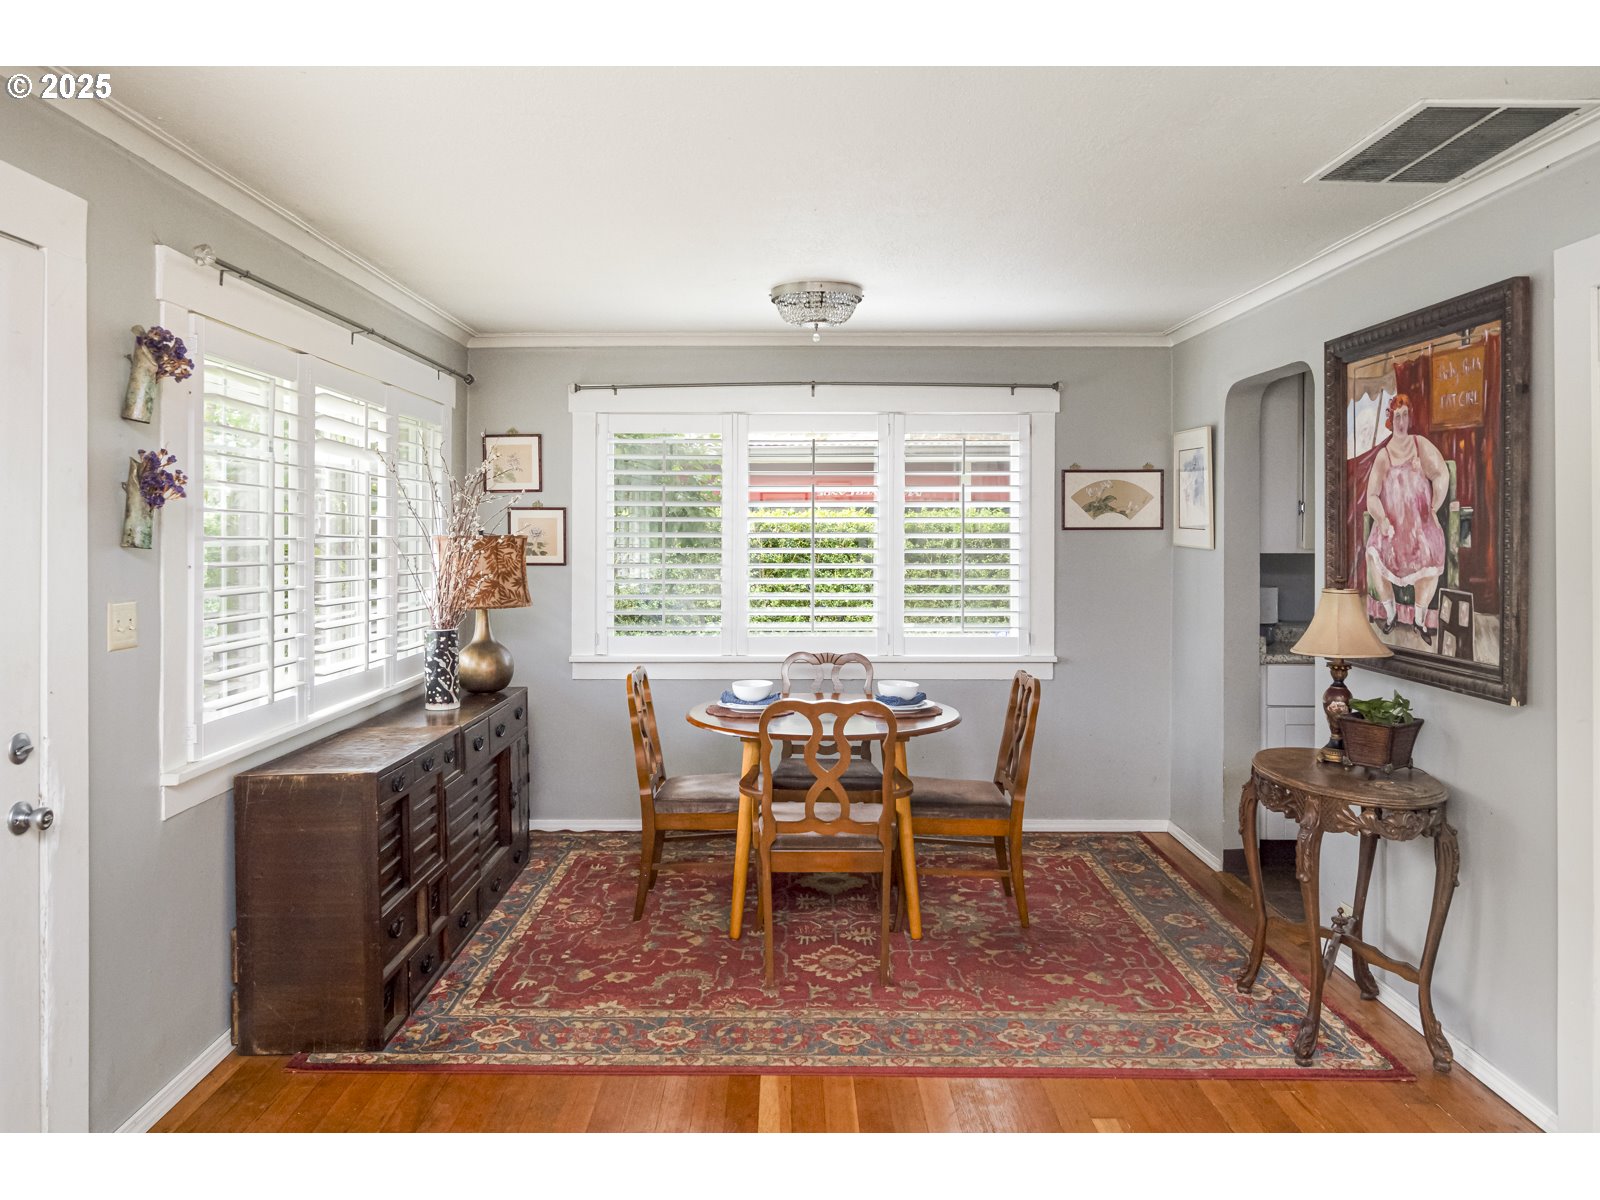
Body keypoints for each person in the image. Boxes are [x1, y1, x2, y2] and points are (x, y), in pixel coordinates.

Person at [1363, 395, 1450, 644]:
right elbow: (1371, 496)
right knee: (1373, 554)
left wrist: (1435, 505)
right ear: (1391, 420)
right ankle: (1391, 615)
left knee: (1432, 558)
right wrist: (1382, 519)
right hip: (1392, 527)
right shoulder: (1384, 456)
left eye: (1405, 415)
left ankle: (1419, 620)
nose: (1401, 421)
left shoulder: (1420, 444)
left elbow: (1441, 472)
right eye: (1397, 416)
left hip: (1420, 526)